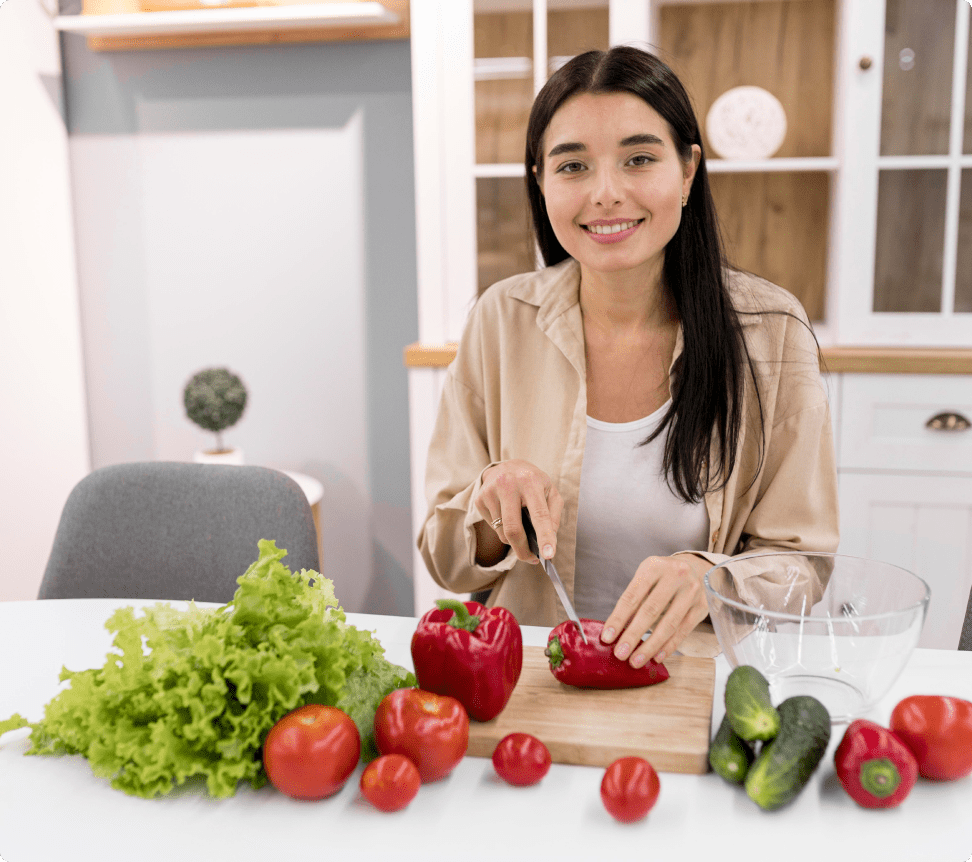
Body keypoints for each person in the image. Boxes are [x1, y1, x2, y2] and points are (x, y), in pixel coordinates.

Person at [418, 46, 838, 668]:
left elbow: (804, 564)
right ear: (541, 181)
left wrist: (711, 575)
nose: (606, 193)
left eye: (639, 159)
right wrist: (488, 504)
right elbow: (444, 559)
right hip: (531, 674)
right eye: (573, 167)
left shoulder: (770, 331)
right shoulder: (501, 319)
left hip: (692, 683)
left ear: (689, 170)